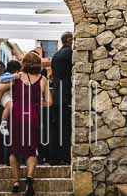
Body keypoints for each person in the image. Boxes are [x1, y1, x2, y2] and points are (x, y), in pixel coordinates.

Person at [8, 51, 51, 195]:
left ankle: (15, 182)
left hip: (16, 114)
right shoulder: (43, 79)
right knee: (31, 150)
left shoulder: (18, 77)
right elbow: (50, 102)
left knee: (14, 150)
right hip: (32, 115)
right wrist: (36, 103)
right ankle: (29, 177)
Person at [49, 32, 73, 164]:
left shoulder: (56, 55)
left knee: (56, 127)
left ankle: (54, 157)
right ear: (69, 40)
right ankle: (64, 157)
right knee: (65, 128)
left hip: (57, 94)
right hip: (65, 95)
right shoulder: (69, 53)